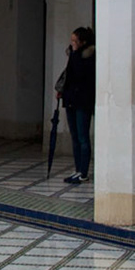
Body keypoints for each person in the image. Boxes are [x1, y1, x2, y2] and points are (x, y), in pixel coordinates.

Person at [54, 26, 95, 185]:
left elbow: (81, 76)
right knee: (75, 136)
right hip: (71, 99)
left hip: (83, 101)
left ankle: (83, 172)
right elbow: (69, 75)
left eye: (74, 41)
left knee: (83, 136)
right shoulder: (73, 55)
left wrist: (75, 55)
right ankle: (77, 169)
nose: (72, 44)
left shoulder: (88, 57)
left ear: (83, 42)